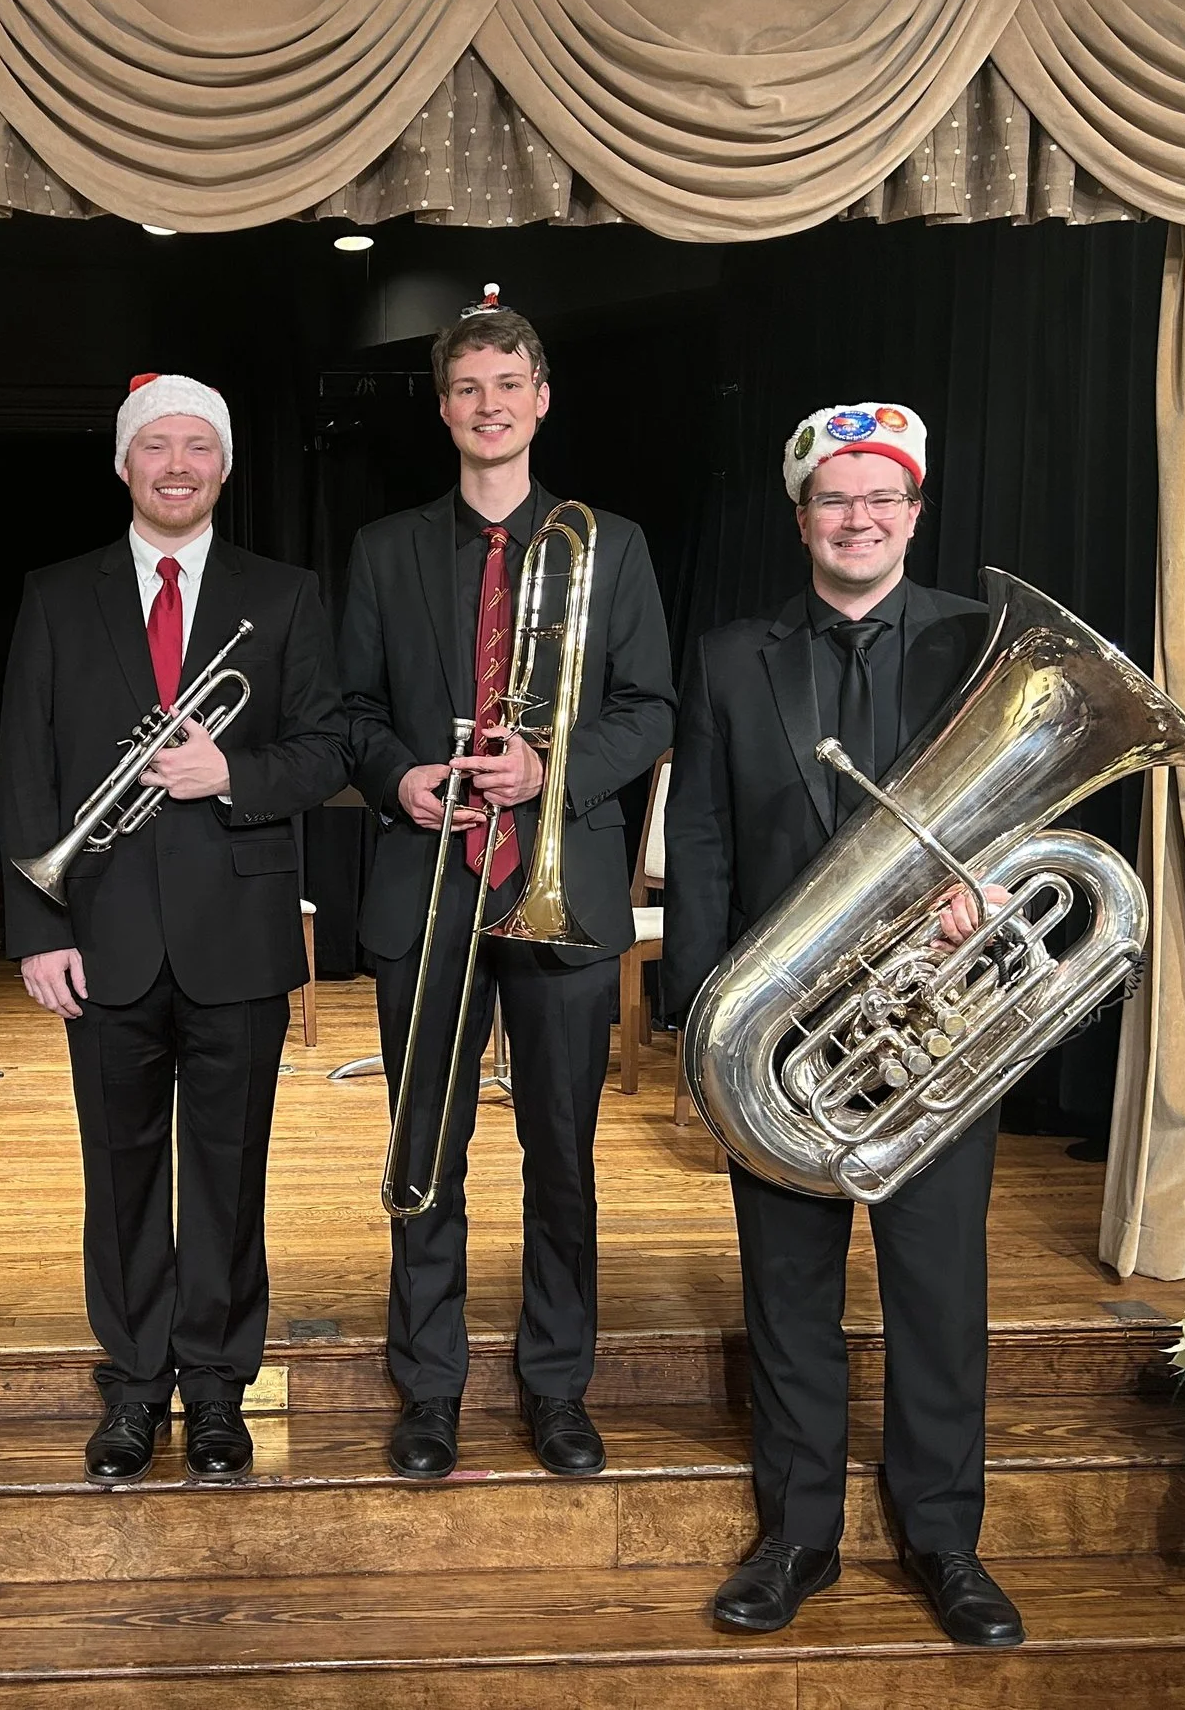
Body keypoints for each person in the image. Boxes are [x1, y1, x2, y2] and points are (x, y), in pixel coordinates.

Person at [661, 401, 1023, 1649]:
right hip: (779, 1041)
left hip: (941, 1025)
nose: (857, 518)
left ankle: (943, 1540)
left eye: (882, 499)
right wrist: (701, 1033)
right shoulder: (726, 656)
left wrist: (995, 889)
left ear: (913, 514)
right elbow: (699, 844)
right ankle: (798, 1534)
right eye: (834, 498)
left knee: (938, 1295)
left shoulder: (983, 645)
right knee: (788, 1293)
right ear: (801, 513)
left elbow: (1030, 811)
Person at [336, 288, 675, 1483]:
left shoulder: (608, 542)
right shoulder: (384, 550)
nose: (488, 406)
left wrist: (554, 768)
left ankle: (556, 1384)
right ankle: (427, 1387)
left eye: (507, 385)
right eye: (466, 388)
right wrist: (401, 776)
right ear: (444, 409)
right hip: (425, 881)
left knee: (561, 1153)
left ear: (540, 400)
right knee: (420, 1150)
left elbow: (648, 708)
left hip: (556, 885)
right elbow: (352, 715)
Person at [0, 373, 349, 1486]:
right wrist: (38, 927)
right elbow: (29, 771)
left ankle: (215, 1389)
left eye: (200, 447)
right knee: (122, 1172)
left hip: (234, 933)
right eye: (159, 448)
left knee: (229, 1170)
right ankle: (134, 1385)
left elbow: (328, 748)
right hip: (98, 935)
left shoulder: (283, 594)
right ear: (123, 465)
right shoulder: (57, 593)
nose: (179, 465)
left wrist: (228, 770)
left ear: (226, 467)